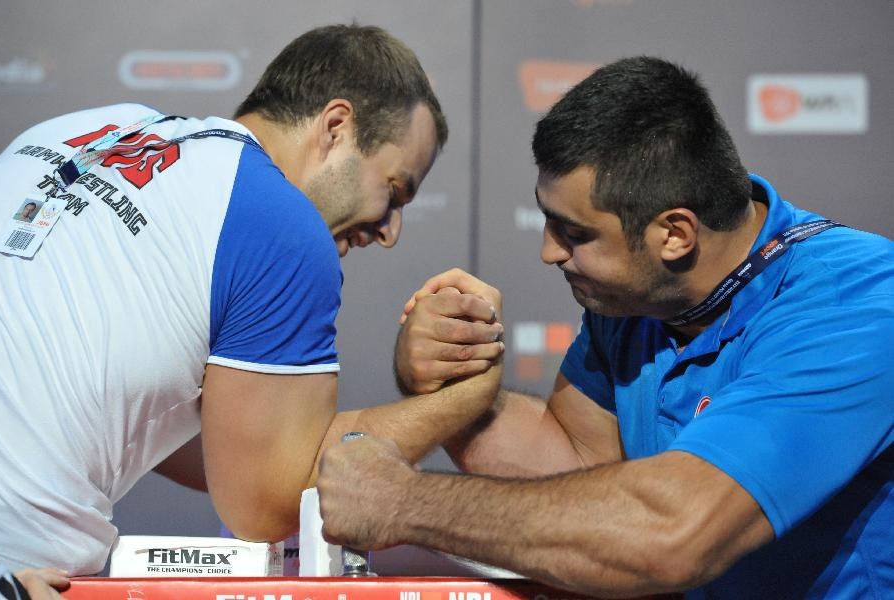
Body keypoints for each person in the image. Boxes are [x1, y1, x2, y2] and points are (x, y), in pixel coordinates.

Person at [317, 56, 894, 598]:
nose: (549, 252)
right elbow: (572, 463)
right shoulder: (639, 298)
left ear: (675, 234)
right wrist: (452, 374)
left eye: (574, 233)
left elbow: (671, 533)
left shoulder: (856, 307)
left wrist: (406, 503)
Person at [0, 24, 505, 577]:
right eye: (395, 190)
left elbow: (206, 451)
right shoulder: (282, 224)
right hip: (17, 565)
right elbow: (264, 505)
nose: (390, 231)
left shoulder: (87, 129)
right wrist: (464, 397)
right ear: (336, 127)